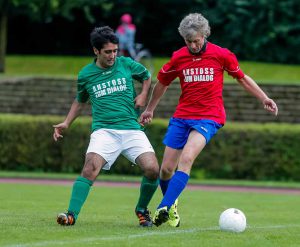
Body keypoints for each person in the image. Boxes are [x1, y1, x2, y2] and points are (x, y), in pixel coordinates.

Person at [140, 13, 278, 228]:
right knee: (166, 169)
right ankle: (172, 206)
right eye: (189, 42)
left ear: (205, 35)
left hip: (209, 117)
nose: (193, 45)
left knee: (186, 159)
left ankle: (164, 206)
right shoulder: (178, 57)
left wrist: (264, 98)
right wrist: (150, 109)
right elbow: (162, 83)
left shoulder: (221, 54)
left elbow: (242, 78)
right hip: (182, 117)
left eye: (197, 40)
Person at [53, 26, 159, 227]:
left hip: (131, 128)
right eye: (108, 52)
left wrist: (144, 94)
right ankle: (71, 214)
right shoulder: (86, 74)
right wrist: (66, 122)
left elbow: (146, 76)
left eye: (115, 51)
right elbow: (80, 100)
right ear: (96, 51)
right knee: (90, 168)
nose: (113, 56)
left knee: (153, 169)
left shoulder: (126, 64)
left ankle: (142, 210)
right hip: (104, 130)